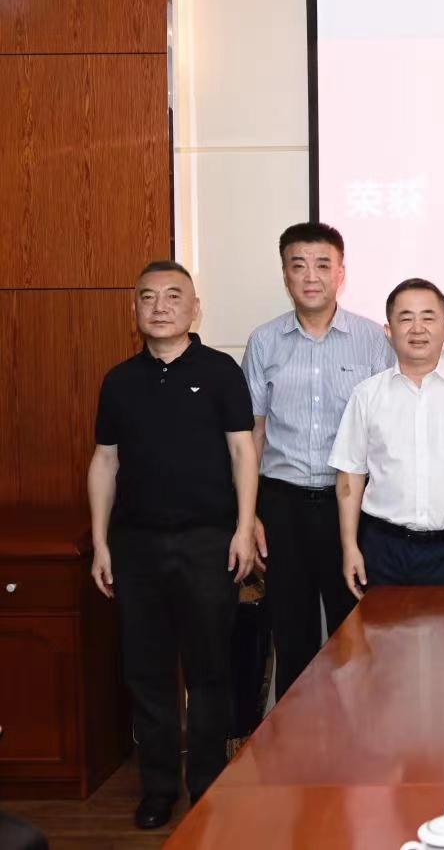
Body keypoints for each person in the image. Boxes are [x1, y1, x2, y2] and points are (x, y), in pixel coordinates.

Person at [87, 261, 257, 828]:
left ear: (194, 309)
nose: (159, 306)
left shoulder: (221, 371)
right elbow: (105, 461)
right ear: (134, 308)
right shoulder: (119, 381)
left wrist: (244, 528)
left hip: (207, 542)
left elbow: (243, 453)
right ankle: (158, 789)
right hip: (135, 546)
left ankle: (206, 784)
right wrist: (100, 542)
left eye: (173, 296)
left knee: (210, 670)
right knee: (147, 672)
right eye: (148, 297)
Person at [242, 221, 393, 700]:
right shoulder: (264, 342)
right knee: (292, 634)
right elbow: (252, 435)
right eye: (299, 265)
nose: (311, 276)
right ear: (284, 273)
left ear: (340, 273)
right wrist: (249, 516)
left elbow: (388, 430)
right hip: (282, 507)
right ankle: (297, 740)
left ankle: (356, 736)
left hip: (351, 507)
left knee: (356, 630)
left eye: (323, 265)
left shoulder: (373, 340)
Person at [330, 279, 444, 594]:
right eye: (406, 318)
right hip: (383, 548)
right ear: (388, 331)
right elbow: (350, 474)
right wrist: (349, 546)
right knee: (382, 628)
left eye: (428, 317)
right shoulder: (367, 395)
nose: (417, 328)